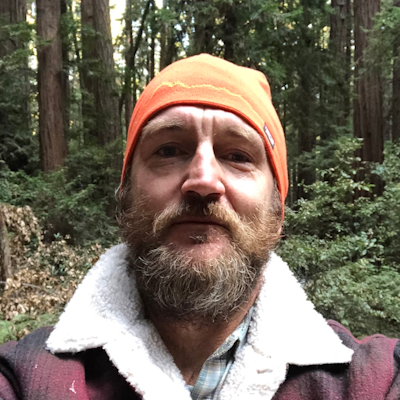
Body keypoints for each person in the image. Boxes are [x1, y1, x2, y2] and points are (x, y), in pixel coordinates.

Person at [0, 54, 399, 400]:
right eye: (169, 150)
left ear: (277, 215)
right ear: (125, 199)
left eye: (237, 155)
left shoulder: (376, 380)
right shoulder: (24, 379)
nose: (203, 180)